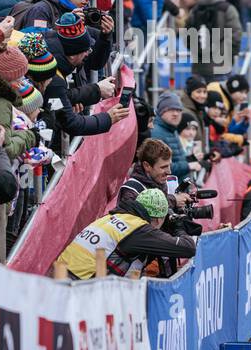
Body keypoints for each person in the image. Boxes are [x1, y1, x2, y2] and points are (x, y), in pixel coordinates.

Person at [55, 188, 195, 280]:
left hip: (57, 277)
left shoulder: (112, 217)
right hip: (79, 285)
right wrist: (178, 226)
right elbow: (188, 247)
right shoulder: (139, 229)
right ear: (159, 219)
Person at [188, 0, 242, 79]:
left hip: (198, 68)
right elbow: (236, 36)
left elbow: (187, 36)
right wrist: (231, 57)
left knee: (199, 94)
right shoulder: (228, 9)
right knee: (220, 94)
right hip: (221, 67)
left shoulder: (195, 10)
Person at [150, 91, 191, 183]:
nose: (175, 114)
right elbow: (160, 168)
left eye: (178, 110)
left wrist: (194, 159)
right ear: (161, 111)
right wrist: (189, 166)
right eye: (171, 110)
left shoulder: (172, 129)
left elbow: (177, 158)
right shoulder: (156, 132)